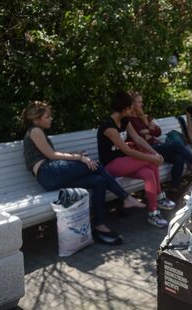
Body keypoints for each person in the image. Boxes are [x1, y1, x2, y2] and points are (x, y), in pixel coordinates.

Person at [21, 101, 145, 246]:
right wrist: (79, 158)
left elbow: (51, 155)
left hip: (52, 176)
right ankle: (125, 197)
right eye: (47, 116)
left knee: (99, 181)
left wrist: (74, 154)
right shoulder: (35, 131)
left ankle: (100, 226)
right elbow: (52, 155)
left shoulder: (38, 131)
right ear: (37, 119)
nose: (51, 119)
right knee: (95, 166)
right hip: (47, 173)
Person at [97, 90, 176, 228]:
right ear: (125, 108)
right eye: (130, 107)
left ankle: (153, 213)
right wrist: (152, 157)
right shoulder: (108, 126)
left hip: (126, 162)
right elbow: (127, 150)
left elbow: (138, 138)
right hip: (111, 165)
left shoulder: (124, 120)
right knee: (151, 162)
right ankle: (159, 197)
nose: (133, 109)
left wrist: (154, 153)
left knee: (149, 173)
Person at [128, 92, 192, 193]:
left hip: (156, 146)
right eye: (139, 102)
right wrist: (149, 131)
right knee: (176, 144)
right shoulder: (129, 121)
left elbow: (158, 132)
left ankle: (174, 188)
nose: (142, 104)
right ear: (132, 104)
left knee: (178, 158)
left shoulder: (144, 117)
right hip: (146, 150)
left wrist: (148, 131)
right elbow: (138, 137)